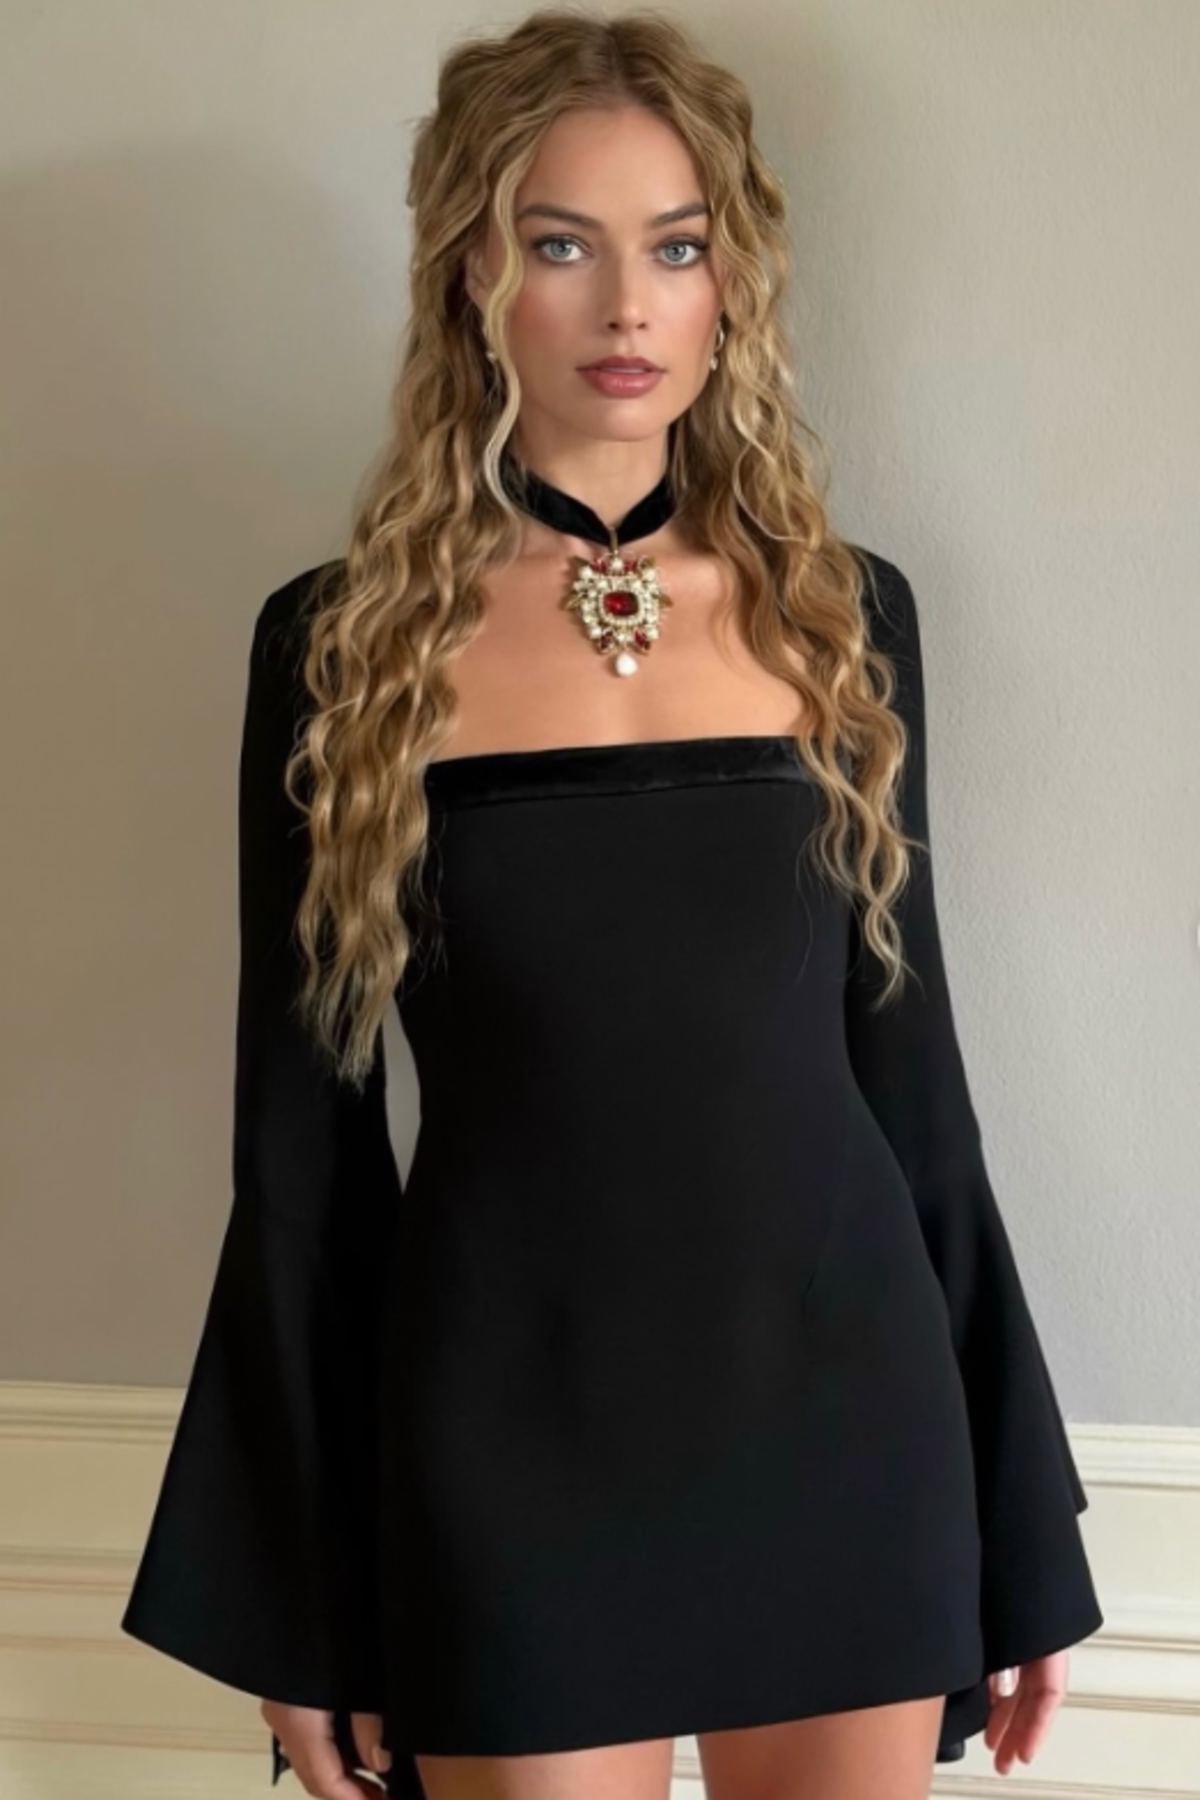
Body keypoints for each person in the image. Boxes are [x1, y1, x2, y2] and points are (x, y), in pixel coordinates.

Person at [120, 10, 1104, 1799]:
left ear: (734, 284)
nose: (629, 305)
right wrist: (297, 1599)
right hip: (502, 1445)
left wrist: (1024, 1533)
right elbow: (301, 1154)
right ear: (471, 273)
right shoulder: (338, 649)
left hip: (846, 1421)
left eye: (678, 245)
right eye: (562, 244)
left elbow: (918, 1092)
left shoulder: (845, 617)